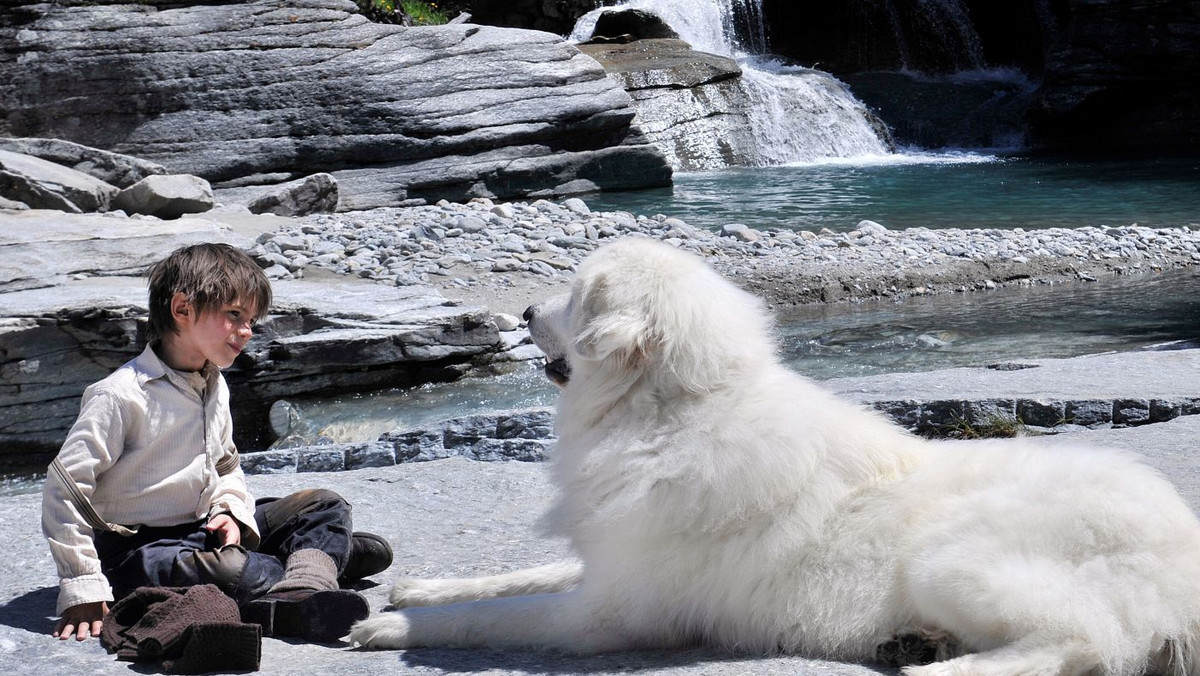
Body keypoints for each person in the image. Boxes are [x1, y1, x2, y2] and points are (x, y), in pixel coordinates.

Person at [42, 242, 392, 644]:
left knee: (323, 503)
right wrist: (84, 586)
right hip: (137, 551)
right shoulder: (120, 395)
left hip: (203, 528)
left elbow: (225, 466)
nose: (247, 331)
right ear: (182, 309)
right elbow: (63, 491)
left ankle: (305, 575)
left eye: (252, 320)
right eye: (234, 315)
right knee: (229, 570)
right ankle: (317, 563)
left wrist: (230, 511)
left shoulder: (214, 383)